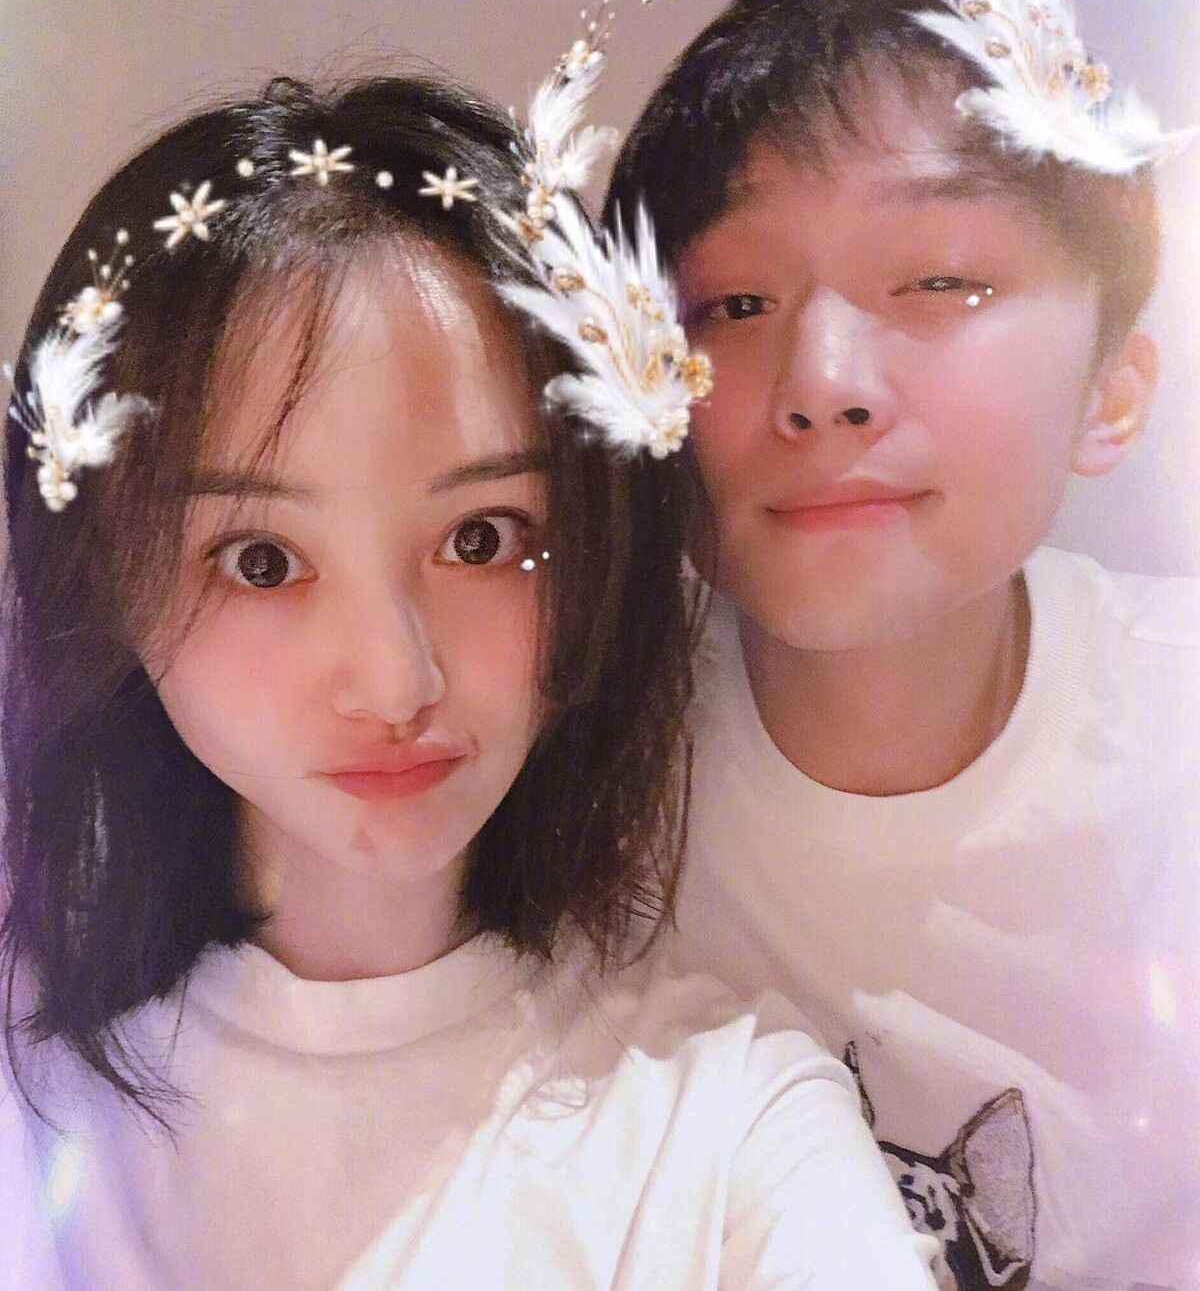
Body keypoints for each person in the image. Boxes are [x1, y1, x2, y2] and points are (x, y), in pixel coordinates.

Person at [0, 72, 938, 1289]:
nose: (398, 680)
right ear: (106, 577)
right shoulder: (34, 1100)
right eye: (261, 559)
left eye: (483, 538)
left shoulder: (725, 1130)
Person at [606, 0, 1199, 1291]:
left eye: (940, 281)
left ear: (1112, 393)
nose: (822, 382)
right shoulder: (567, 774)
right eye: (733, 302)